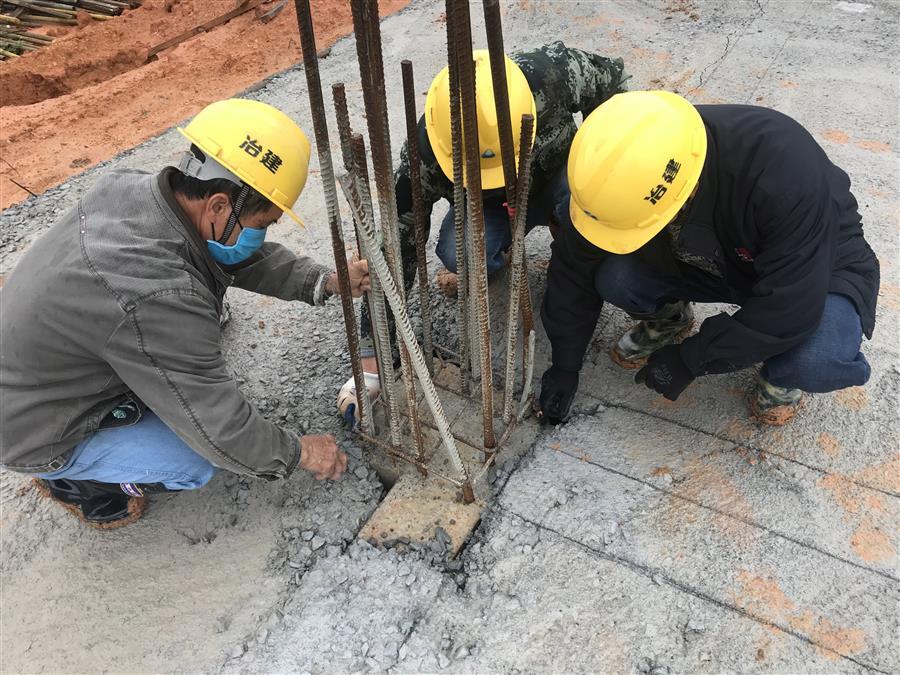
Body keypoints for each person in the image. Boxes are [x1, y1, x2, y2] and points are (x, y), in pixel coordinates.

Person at [0, 99, 370, 528]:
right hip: (33, 427)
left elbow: (230, 257)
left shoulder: (134, 190)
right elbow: (221, 429)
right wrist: (298, 452)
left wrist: (325, 280)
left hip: (45, 360)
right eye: (263, 224)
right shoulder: (159, 295)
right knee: (193, 463)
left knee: (189, 323)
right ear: (218, 205)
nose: (262, 234)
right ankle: (74, 482)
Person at [538, 90, 879, 426]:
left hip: (815, 264)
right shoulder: (614, 181)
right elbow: (572, 269)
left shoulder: (782, 168)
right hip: (713, 257)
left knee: (816, 359)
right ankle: (671, 318)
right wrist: (565, 365)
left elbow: (791, 307)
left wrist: (693, 358)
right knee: (616, 277)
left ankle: (782, 375)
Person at [338, 42, 629, 420]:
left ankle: (571, 233)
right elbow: (396, 247)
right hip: (492, 209)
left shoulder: (553, 73)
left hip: (563, 176)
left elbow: (615, 88)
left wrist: (600, 167)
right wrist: (370, 357)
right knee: (456, 252)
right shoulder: (426, 153)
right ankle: (502, 256)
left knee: (592, 235)